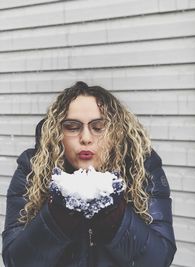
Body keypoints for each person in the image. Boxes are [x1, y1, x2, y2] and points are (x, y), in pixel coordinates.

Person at [2, 81, 176, 267]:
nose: (86, 138)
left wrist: (116, 218)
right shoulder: (32, 168)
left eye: (98, 127)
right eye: (72, 126)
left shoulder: (142, 167)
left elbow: (159, 259)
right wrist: (56, 217)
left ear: (115, 132)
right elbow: (16, 261)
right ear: (57, 133)